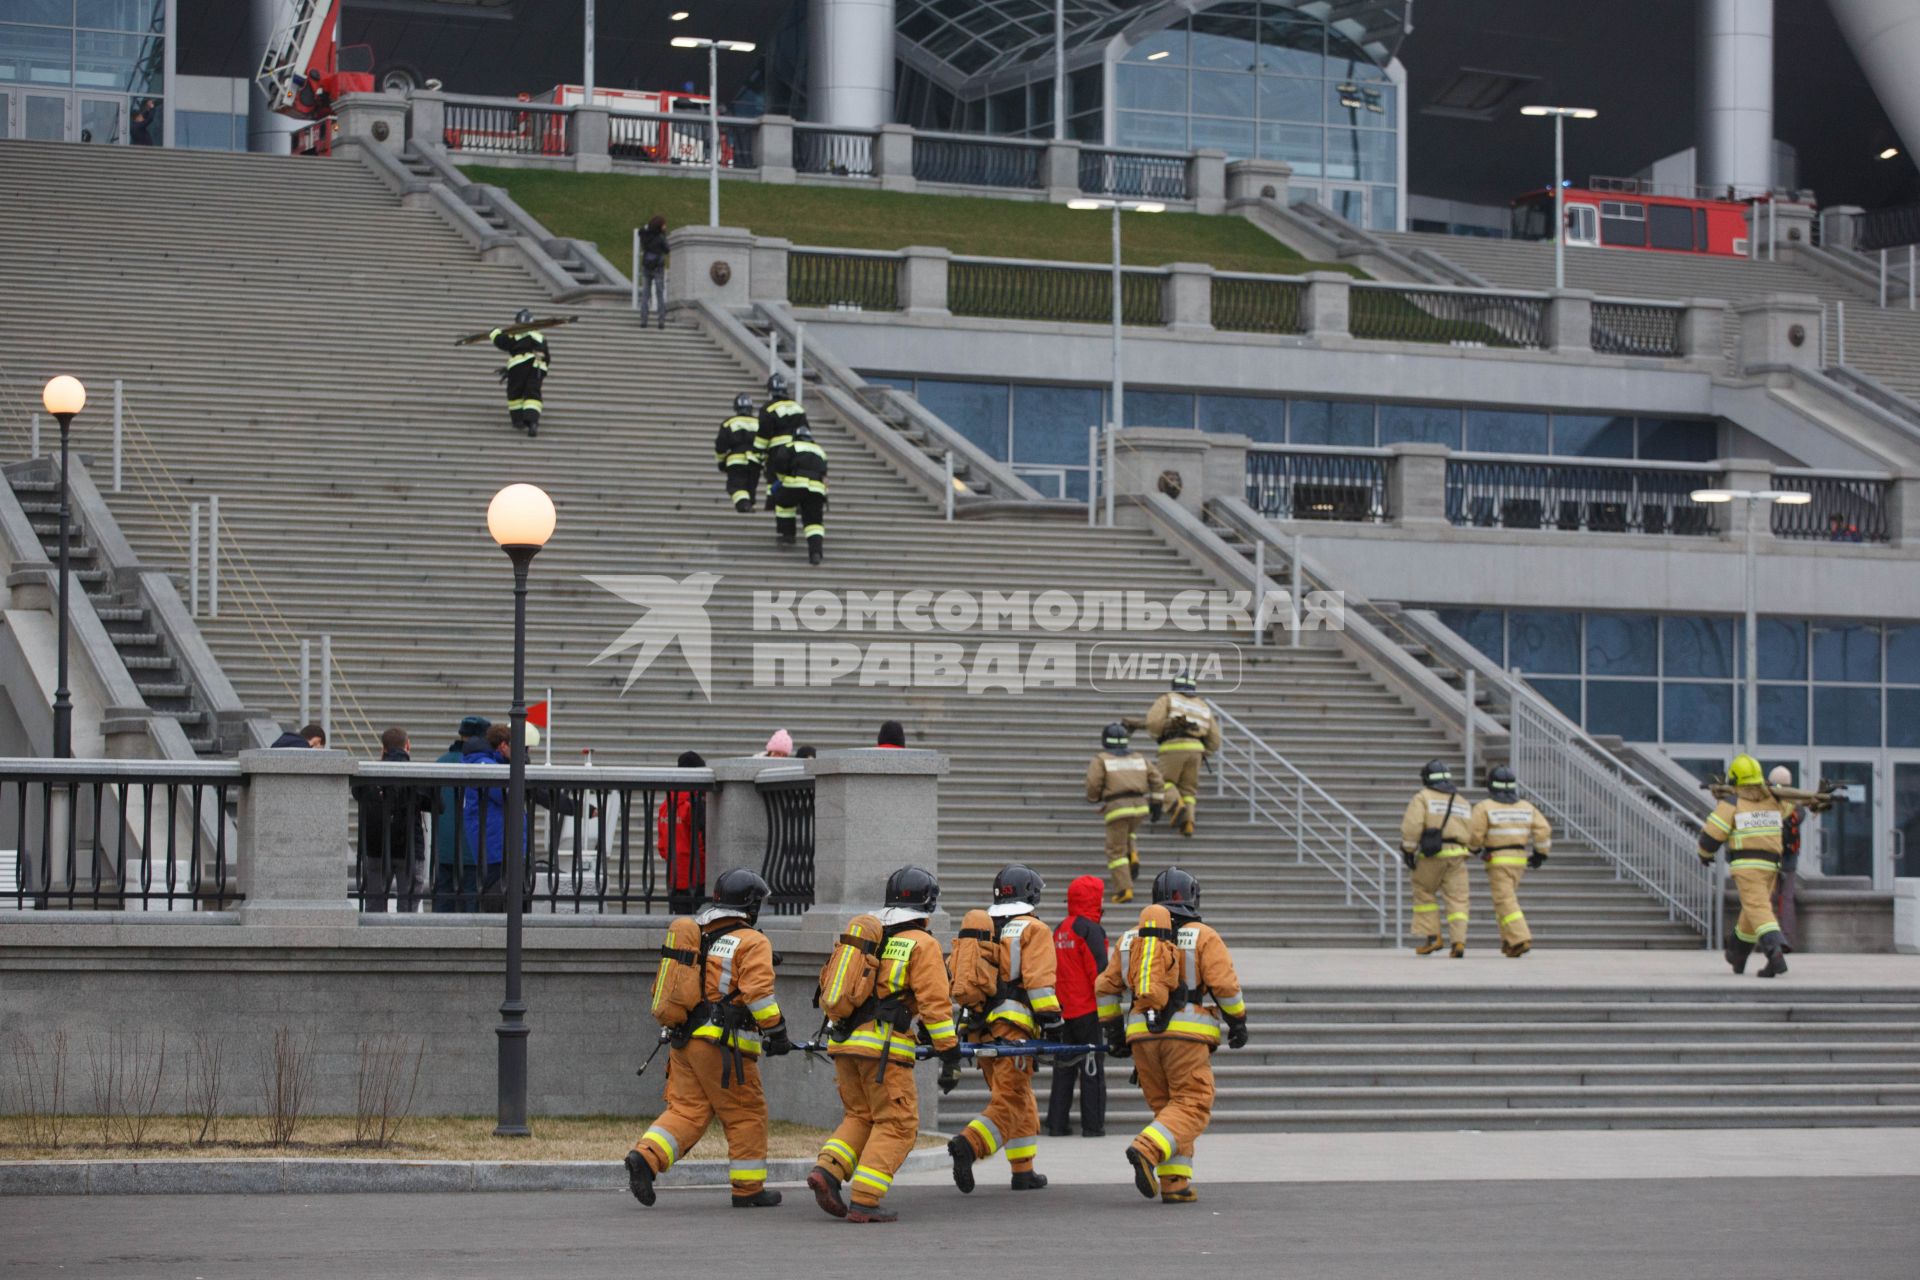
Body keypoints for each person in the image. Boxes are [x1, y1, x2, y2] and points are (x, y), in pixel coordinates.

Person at [626, 869, 793, 1210]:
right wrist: (777, 1032)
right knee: (746, 1112)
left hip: (684, 1041)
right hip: (721, 1046)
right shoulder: (752, 941)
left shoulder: (698, 934)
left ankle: (646, 1156)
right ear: (749, 904)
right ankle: (748, 1190)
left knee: (688, 1110)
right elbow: (759, 995)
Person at [806, 866, 960, 1224]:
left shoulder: (869, 937)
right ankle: (865, 1199)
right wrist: (948, 1049)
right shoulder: (923, 944)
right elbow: (935, 1004)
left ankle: (827, 1170)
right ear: (928, 904)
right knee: (898, 1124)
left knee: (860, 1115)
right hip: (883, 1051)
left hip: (844, 1042)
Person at [1094, 868, 1246, 1206]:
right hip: (1187, 1035)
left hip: (1141, 1036)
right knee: (1192, 1102)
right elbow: (1225, 985)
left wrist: (1114, 1031)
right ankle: (1146, 1149)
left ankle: (1175, 1183)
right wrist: (1238, 1021)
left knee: (1168, 1108)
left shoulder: (1130, 939)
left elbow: (1105, 987)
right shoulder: (1202, 935)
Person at [947, 864, 1061, 1196]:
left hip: (979, 1029)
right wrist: (1053, 1023)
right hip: (1013, 1030)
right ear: (1032, 893)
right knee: (1010, 1101)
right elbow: (1039, 983)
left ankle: (1023, 1171)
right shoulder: (1033, 929)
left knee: (1017, 1097)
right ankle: (968, 1145)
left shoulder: (986, 927)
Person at [1699, 754, 1796, 977]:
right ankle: (1738, 954)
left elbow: (1711, 836)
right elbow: (1792, 808)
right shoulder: (1773, 800)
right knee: (1753, 910)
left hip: (1747, 865)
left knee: (1758, 908)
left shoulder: (1732, 803)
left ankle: (1775, 951)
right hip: (1771, 867)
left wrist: (1704, 854)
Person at [1046, 874, 1109, 1138]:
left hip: (1063, 1011)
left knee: (1063, 1069)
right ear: (1094, 899)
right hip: (1087, 1011)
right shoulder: (1090, 930)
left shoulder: (1061, 928)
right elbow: (1099, 973)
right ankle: (1092, 1126)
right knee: (1091, 1069)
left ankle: (1057, 1124)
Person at [1466, 766, 1552, 958]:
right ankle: (1509, 942)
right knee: (1503, 900)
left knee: (1505, 900)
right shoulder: (1526, 807)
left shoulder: (1484, 807)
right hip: (1519, 860)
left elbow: (1474, 834)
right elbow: (1543, 830)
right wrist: (1540, 853)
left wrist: (1475, 849)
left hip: (1497, 859)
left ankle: (1521, 937)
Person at [1086, 722, 1176, 904]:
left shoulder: (1101, 759)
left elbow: (1093, 783)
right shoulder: (1139, 758)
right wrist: (1157, 802)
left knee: (1115, 851)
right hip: (1140, 806)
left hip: (1118, 807)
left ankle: (1123, 889)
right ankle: (1132, 853)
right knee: (1129, 833)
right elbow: (1157, 780)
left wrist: (1094, 797)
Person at [1124, 674, 1221, 836]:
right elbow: (1215, 738)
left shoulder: (1168, 698)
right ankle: (1188, 822)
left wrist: (1158, 734)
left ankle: (1176, 806)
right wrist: (1205, 751)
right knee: (1188, 790)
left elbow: (1153, 722)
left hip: (1173, 746)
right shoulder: (1202, 705)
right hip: (1196, 749)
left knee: (1162, 782)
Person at [352, 727, 433, 913]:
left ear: (383, 749)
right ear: (408, 745)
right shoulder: (417, 774)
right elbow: (437, 805)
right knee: (409, 909)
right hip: (409, 849)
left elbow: (357, 793)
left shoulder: (371, 773)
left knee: (374, 907)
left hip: (376, 848)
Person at [1400, 759, 1472, 956]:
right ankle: (1458, 943)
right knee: (1458, 900)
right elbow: (1471, 831)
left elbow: (1413, 826)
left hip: (1432, 854)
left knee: (1423, 891)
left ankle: (1432, 937)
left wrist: (1408, 850)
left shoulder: (1422, 798)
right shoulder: (1461, 801)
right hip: (1457, 855)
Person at [433, 716, 488, 912]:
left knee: (442, 906)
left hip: (443, 849)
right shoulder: (484, 765)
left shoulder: (441, 762)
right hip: (473, 849)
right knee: (471, 907)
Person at [754, 374, 807, 544]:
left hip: (778, 454)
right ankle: (799, 503)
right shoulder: (797, 407)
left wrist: (758, 454)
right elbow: (806, 431)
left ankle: (781, 520)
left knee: (776, 485)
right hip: (798, 452)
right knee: (795, 483)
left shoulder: (768, 409)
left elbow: (763, 435)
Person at [767, 422, 829, 564]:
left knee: (783, 504)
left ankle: (788, 534)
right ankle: (815, 553)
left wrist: (782, 480)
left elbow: (780, 465)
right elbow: (824, 472)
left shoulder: (790, 446)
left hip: (794, 484)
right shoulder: (820, 450)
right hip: (816, 488)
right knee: (814, 523)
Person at [657, 751, 708, 913]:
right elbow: (705, 839)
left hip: (674, 876)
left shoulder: (666, 804)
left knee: (679, 926)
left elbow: (662, 845)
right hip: (697, 877)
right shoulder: (695, 803)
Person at [490, 308, 550, 436]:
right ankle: (532, 421)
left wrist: (494, 332)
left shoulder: (515, 334)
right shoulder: (539, 336)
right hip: (537, 366)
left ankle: (518, 420)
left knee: (515, 392)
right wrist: (543, 370)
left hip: (518, 366)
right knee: (533, 393)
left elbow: (502, 342)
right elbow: (547, 356)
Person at [1770, 765, 1804, 948]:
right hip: (1790, 859)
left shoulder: (1767, 802)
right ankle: (1788, 938)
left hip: (1770, 858)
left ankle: (1769, 938)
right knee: (1787, 898)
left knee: (1767, 899)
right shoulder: (1796, 804)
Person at [714, 393, 762, 513]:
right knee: (751, 485)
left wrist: (721, 461)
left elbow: (720, 445)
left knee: (735, 486)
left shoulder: (729, 423)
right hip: (755, 460)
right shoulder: (759, 423)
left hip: (736, 461)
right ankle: (750, 504)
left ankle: (744, 505)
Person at [637, 215, 669, 330]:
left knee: (645, 294)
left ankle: (643, 320)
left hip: (646, 266)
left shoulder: (645, 235)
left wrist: (646, 228)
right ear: (660, 226)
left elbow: (641, 232)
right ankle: (661, 321)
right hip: (658, 268)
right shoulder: (660, 238)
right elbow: (667, 249)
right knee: (660, 294)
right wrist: (664, 234)